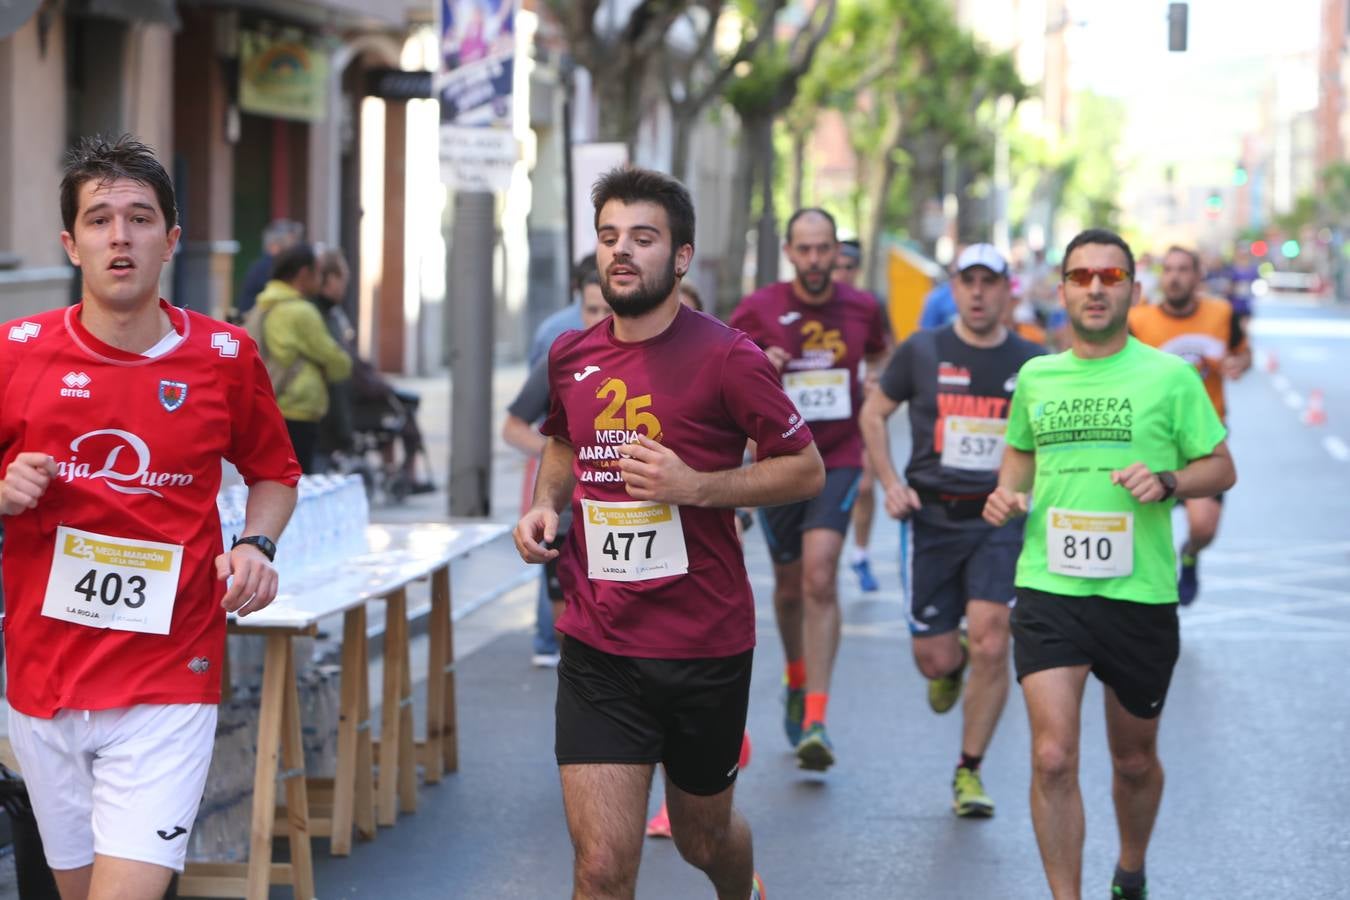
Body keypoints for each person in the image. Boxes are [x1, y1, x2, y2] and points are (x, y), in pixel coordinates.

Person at [0, 134, 300, 900]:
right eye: (99, 220)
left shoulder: (225, 356)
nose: (120, 237)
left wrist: (257, 545)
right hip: (44, 679)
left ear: (170, 240)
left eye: (139, 219)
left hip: (169, 677)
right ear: (71, 245)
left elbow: (274, 471)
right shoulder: (16, 353)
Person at [513, 166, 824, 900]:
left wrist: (697, 487)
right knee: (600, 867)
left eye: (642, 238)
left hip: (702, 644)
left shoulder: (728, 357)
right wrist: (545, 505)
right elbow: (561, 440)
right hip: (599, 640)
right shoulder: (571, 354)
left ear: (681, 257)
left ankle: (741, 890)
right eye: (609, 236)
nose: (621, 251)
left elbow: (805, 469)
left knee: (701, 838)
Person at [983, 228, 1236, 900]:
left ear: (1133, 289)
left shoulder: (1170, 378)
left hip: (1138, 593)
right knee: (1052, 756)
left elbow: (1221, 467)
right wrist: (1008, 492)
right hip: (1049, 587)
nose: (1095, 288)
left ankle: (1130, 866)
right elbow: (1020, 453)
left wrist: (1170, 480)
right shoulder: (1037, 376)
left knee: (1133, 760)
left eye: (1111, 276)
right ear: (1062, 289)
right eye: (1081, 276)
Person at [860, 243, 1045, 818]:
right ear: (955, 288)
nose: (979, 292)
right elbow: (873, 413)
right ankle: (952, 659)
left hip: (999, 519)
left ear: (1007, 290)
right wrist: (891, 483)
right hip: (932, 519)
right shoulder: (923, 350)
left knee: (993, 638)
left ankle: (969, 770)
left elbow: (1051, 439)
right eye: (969, 281)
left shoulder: (1033, 362)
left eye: (990, 282)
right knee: (935, 662)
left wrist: (1033, 492)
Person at [730, 208, 887, 771]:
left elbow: (879, 353)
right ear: (790, 253)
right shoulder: (759, 308)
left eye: (825, 249)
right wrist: (759, 364)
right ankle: (796, 678)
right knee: (791, 588)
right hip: (780, 462)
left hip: (838, 457)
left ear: (836, 250)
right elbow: (723, 371)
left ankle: (817, 717)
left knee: (821, 576)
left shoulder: (863, 307)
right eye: (806, 249)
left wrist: (874, 385)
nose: (816, 260)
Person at [502, 265, 612, 666]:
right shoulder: (564, 359)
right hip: (567, 516)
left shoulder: (652, 361)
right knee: (570, 633)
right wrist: (561, 452)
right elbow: (513, 427)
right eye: (591, 309)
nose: (599, 319)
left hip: (630, 518)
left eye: (608, 309)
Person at [1128, 245, 1249, 605]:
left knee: (1203, 526)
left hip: (1201, 438)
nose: (1175, 277)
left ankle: (1191, 554)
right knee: (1138, 527)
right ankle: (1145, 593)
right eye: (1168, 269)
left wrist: (1239, 363)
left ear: (1197, 276)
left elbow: (1244, 351)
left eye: (1183, 269)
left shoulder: (1221, 313)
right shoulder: (1139, 320)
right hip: (1152, 437)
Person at [313, 248, 433, 492]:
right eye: (342, 279)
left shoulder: (331, 314)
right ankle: (402, 473)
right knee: (398, 410)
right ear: (330, 279)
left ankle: (397, 471)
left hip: (351, 393)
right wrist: (377, 385)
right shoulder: (320, 315)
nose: (345, 286)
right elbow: (345, 363)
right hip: (344, 400)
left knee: (399, 407)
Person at [250, 243, 352, 473]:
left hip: (274, 402)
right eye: (317, 273)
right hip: (298, 408)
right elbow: (338, 362)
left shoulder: (265, 303)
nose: (320, 279)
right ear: (304, 274)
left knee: (277, 474)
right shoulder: (301, 312)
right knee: (298, 478)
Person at [832, 237, 891, 593]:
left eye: (849, 267)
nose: (841, 273)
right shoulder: (813, 307)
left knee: (866, 484)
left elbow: (884, 351)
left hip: (860, 410)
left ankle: (860, 554)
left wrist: (875, 376)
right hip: (823, 418)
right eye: (837, 266)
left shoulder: (868, 305)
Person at [234, 218, 303, 318]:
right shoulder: (269, 268)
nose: (294, 251)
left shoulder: (263, 266)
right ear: (275, 245)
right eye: (290, 245)